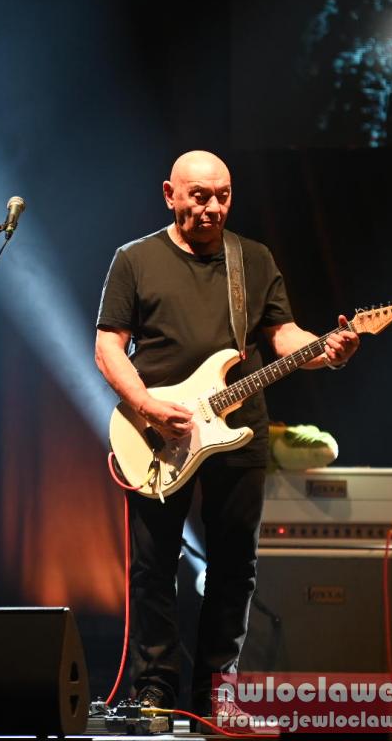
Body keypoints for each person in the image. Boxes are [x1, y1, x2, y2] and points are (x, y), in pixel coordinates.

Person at [94, 150, 360, 722]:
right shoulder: (135, 259)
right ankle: (155, 690)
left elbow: (283, 335)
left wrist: (328, 351)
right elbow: (108, 346)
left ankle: (219, 694)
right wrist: (148, 406)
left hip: (239, 430)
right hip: (155, 431)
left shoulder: (252, 259)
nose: (213, 207)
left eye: (223, 195)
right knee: (153, 566)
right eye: (199, 196)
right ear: (170, 194)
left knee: (235, 565)